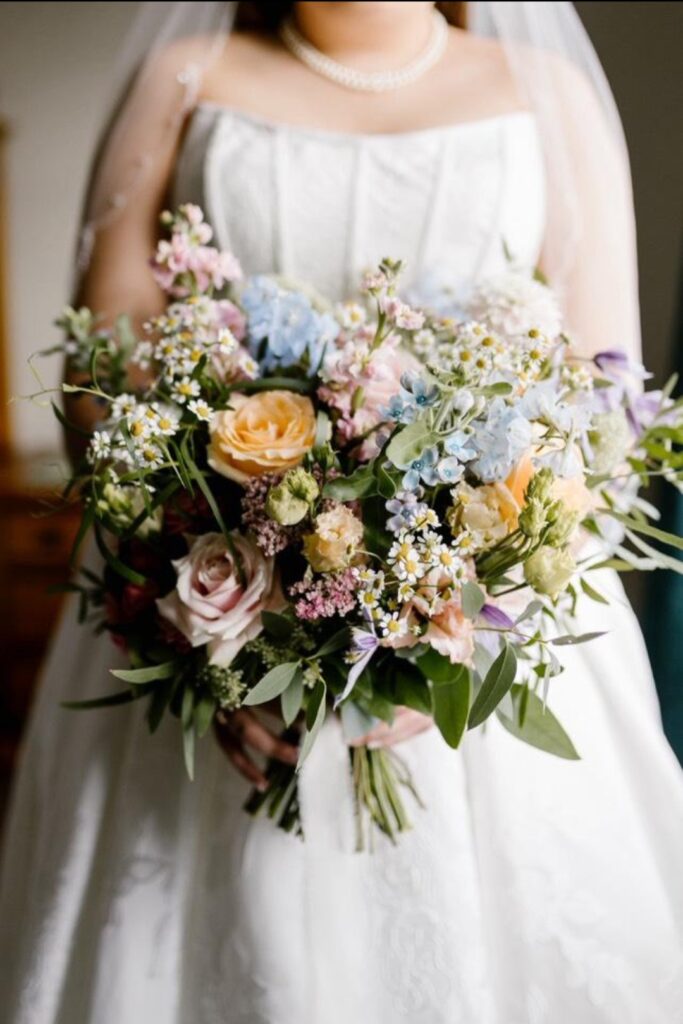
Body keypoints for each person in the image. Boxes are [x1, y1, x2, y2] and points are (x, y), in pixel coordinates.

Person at [1, 3, 682, 1022]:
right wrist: (228, 624)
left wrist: (452, 625)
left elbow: (596, 411)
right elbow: (105, 383)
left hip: (479, 647)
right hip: (206, 612)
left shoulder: (546, 92)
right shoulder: (187, 76)